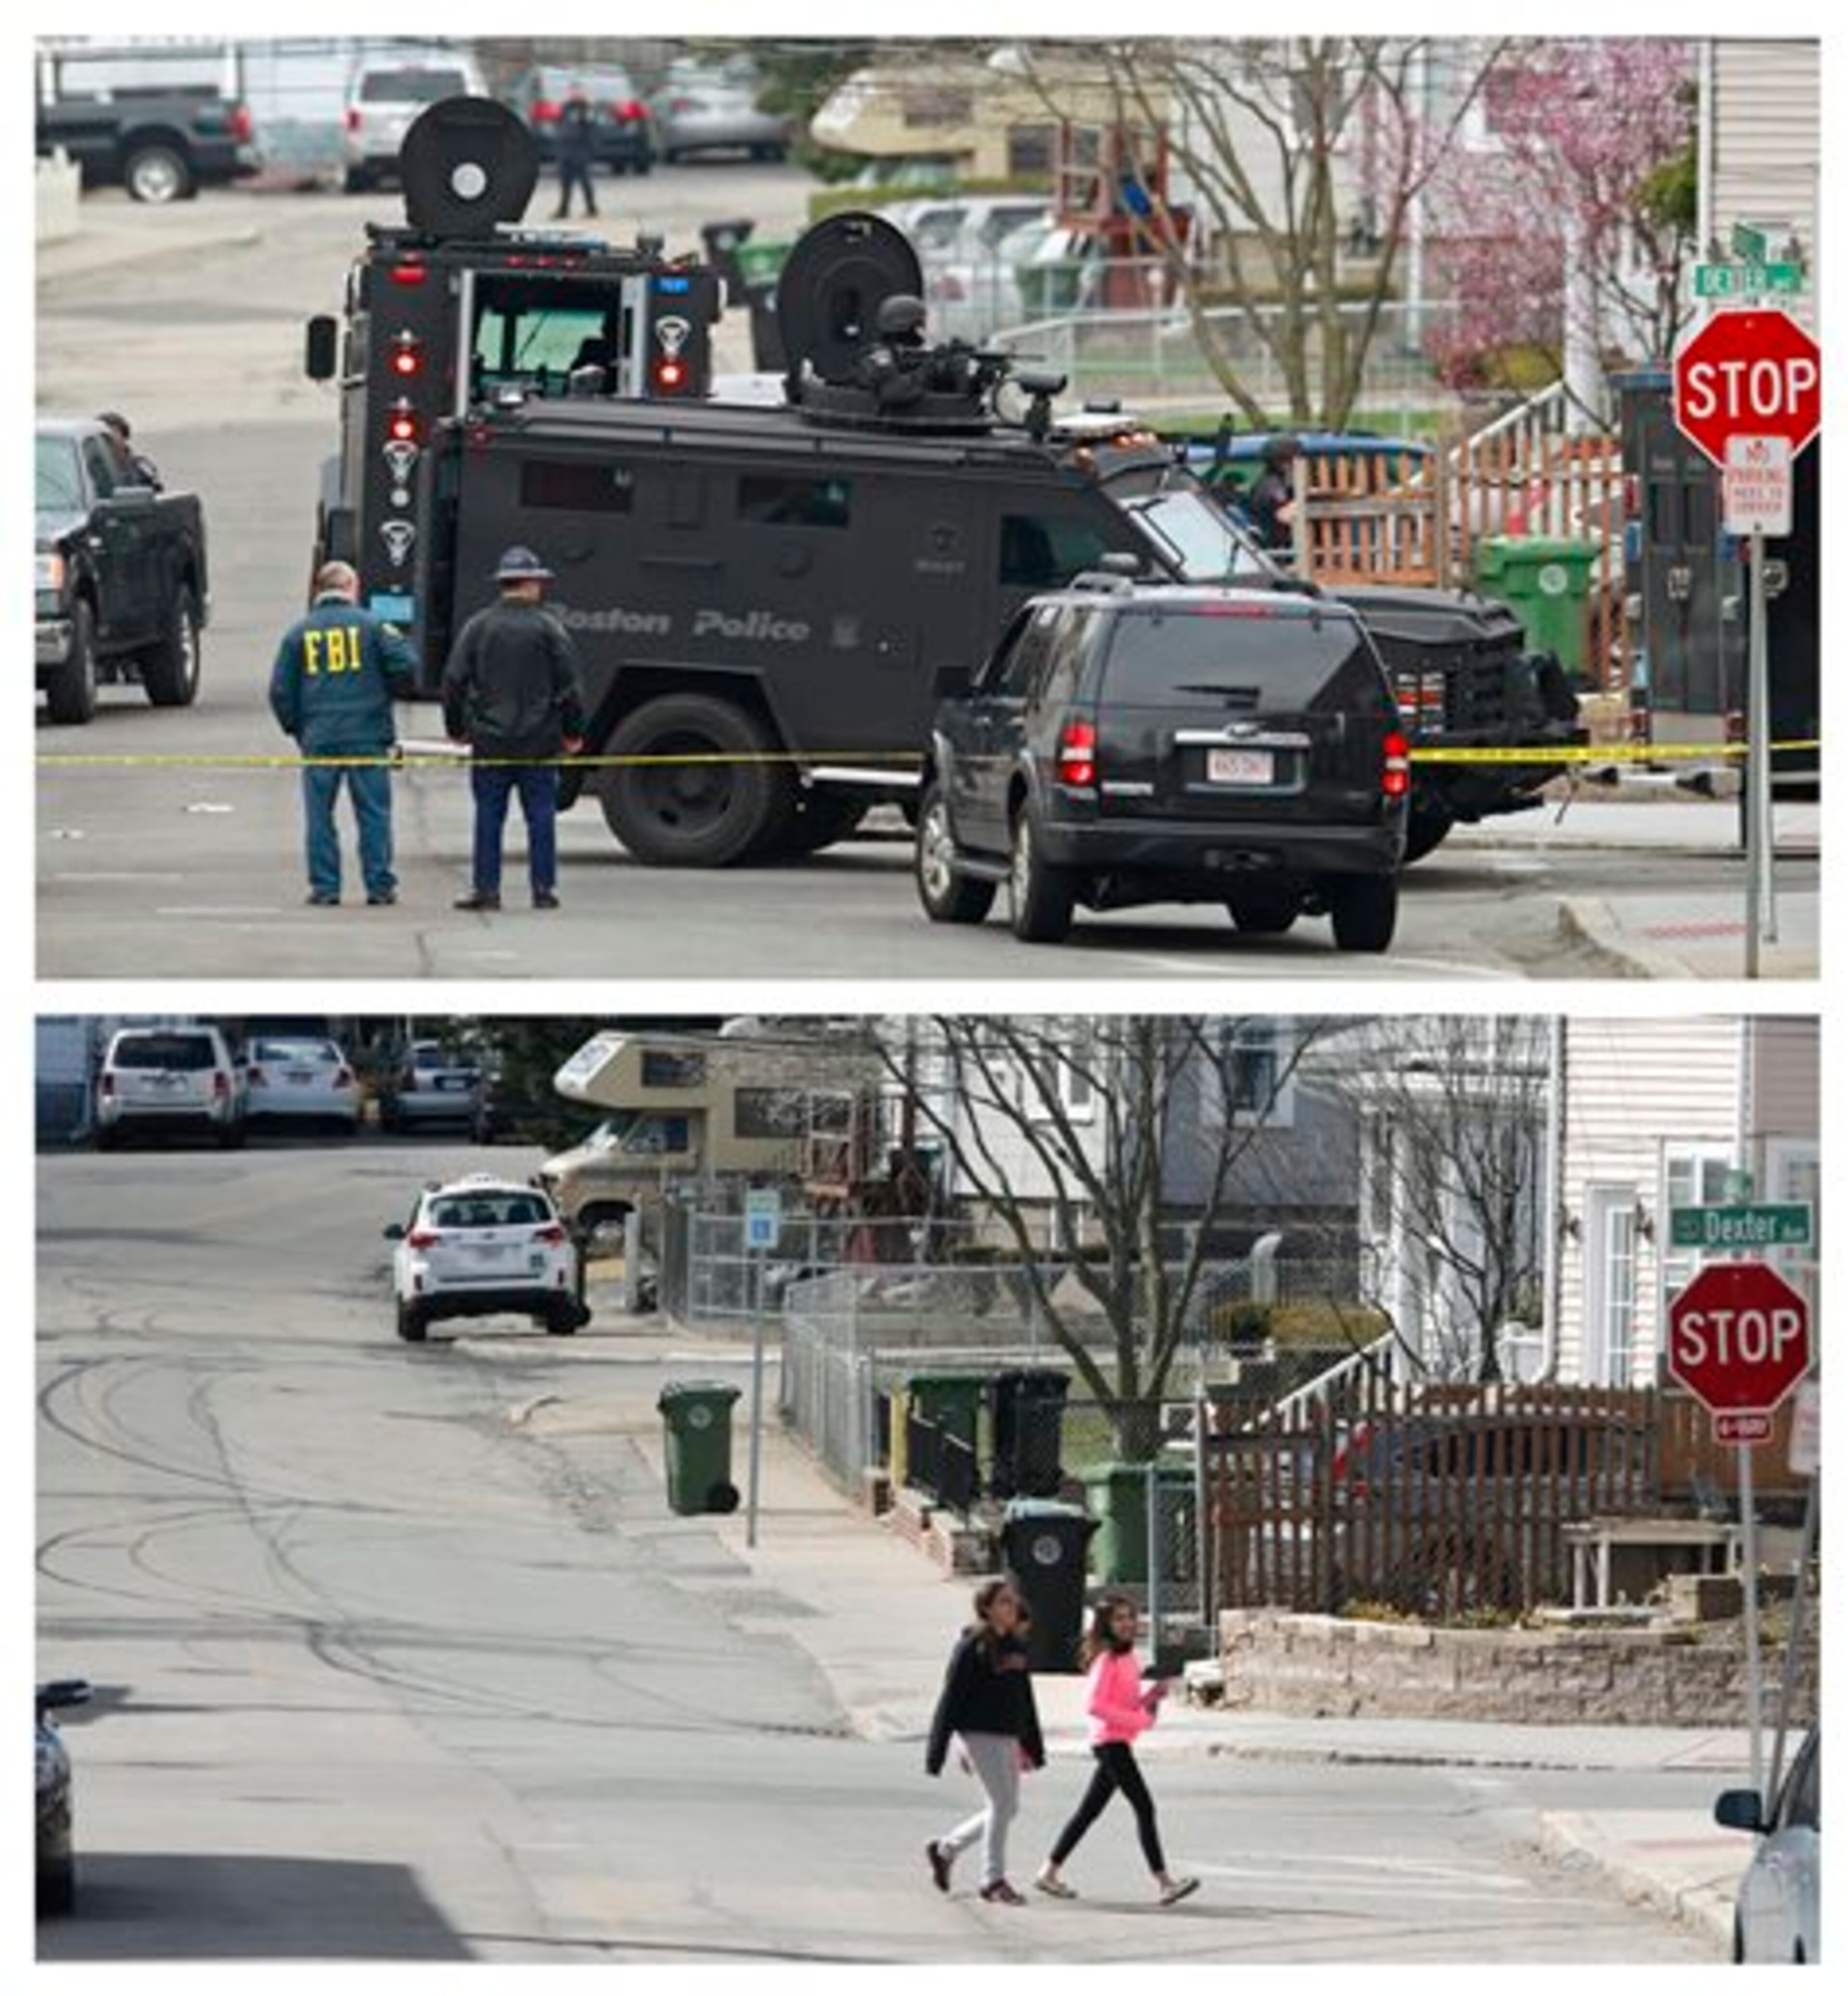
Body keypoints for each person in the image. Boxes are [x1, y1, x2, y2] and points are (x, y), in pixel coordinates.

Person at [441, 545, 585, 912]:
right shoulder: (550, 628)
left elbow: (454, 681)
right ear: (532, 584)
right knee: (541, 815)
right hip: (540, 741)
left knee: (489, 815)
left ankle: (486, 890)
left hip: (490, 740)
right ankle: (543, 889)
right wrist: (572, 732)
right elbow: (570, 687)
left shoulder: (479, 626)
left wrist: (457, 728)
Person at [1033, 1595, 1198, 1906]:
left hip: (1118, 1742)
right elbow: (1094, 1705)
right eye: (1119, 1619)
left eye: (1130, 1618)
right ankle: (1165, 1883)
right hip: (1110, 1744)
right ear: (1106, 1626)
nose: (1127, 1624)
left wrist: (1151, 1698)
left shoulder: (1129, 1658)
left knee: (1088, 1812)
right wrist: (1137, 1718)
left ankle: (1048, 1872)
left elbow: (1128, 1704)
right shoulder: (1106, 1660)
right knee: (1145, 1807)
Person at [268, 560, 416, 906]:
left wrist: (298, 728)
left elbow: (280, 691)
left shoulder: (298, 633)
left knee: (320, 816)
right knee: (374, 814)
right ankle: (379, 886)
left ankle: (325, 887)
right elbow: (407, 664)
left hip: (320, 736)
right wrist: (388, 692)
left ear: (319, 590)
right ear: (352, 587)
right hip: (368, 734)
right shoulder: (375, 627)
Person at [924, 1576, 1046, 1905]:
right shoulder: (973, 1647)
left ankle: (946, 1848)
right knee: (1001, 1805)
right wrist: (940, 1749)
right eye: (1004, 1602)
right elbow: (951, 1699)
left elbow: (1025, 1699)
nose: (1012, 1607)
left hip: (1008, 1735)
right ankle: (993, 1880)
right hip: (978, 1735)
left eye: (1013, 1601)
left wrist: (1031, 1744)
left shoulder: (1017, 1648)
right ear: (988, 1609)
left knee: (1008, 1808)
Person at [1245, 435, 1300, 552]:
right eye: (1289, 459)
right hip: (1278, 550)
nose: (1295, 463)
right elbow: (1285, 515)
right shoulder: (1271, 485)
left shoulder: (1281, 482)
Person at [552, 83, 598, 220]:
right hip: (566, 149)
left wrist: (591, 150)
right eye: (572, 92)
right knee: (565, 182)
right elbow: (561, 126)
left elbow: (592, 129)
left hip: (580, 150)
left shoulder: (586, 109)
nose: (574, 94)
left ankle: (592, 209)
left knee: (585, 181)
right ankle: (563, 210)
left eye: (578, 92)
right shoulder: (566, 108)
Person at [96, 410, 162, 490]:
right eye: (104, 436)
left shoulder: (141, 468)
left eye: (115, 432)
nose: (110, 439)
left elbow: (157, 496)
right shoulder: (94, 470)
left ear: (124, 436)